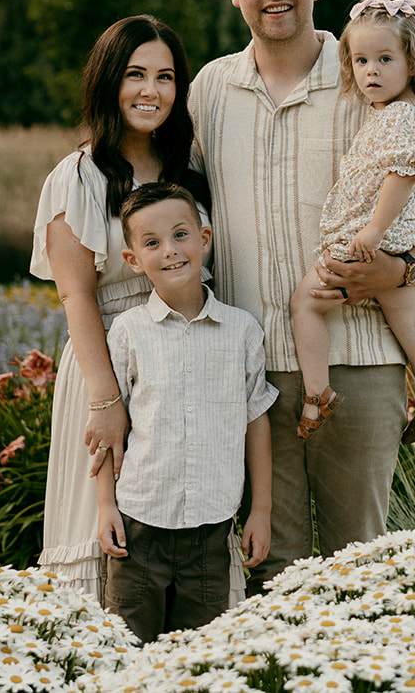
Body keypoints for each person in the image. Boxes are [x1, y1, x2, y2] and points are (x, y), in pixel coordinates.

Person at [189, 0, 415, 591]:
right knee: (273, 571)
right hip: (254, 369)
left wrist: (401, 270)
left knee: (361, 564)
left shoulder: (368, 78)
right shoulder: (209, 91)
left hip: (362, 361)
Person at [30, 16, 211, 600]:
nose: (150, 91)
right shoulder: (77, 178)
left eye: (165, 77)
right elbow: (76, 296)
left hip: (186, 364)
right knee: (108, 539)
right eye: (135, 74)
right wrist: (107, 402)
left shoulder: (191, 172)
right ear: (110, 82)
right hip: (107, 365)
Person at [95, 181, 276, 641]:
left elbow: (256, 421)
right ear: (133, 260)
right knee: (129, 646)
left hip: (211, 529)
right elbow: (109, 433)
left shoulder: (241, 331)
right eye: (152, 243)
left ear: (205, 239)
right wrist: (104, 507)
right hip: (139, 527)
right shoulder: (128, 333)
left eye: (180, 235)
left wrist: (261, 511)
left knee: (199, 655)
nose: (171, 251)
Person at [289, 0, 415, 445]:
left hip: (367, 241)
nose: (371, 72)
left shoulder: (398, 117)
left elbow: (402, 174)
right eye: (361, 61)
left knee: (305, 304)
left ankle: (316, 392)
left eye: (384, 59)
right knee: (406, 320)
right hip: (397, 243)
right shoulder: (413, 112)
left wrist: (373, 229)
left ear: (412, 64)